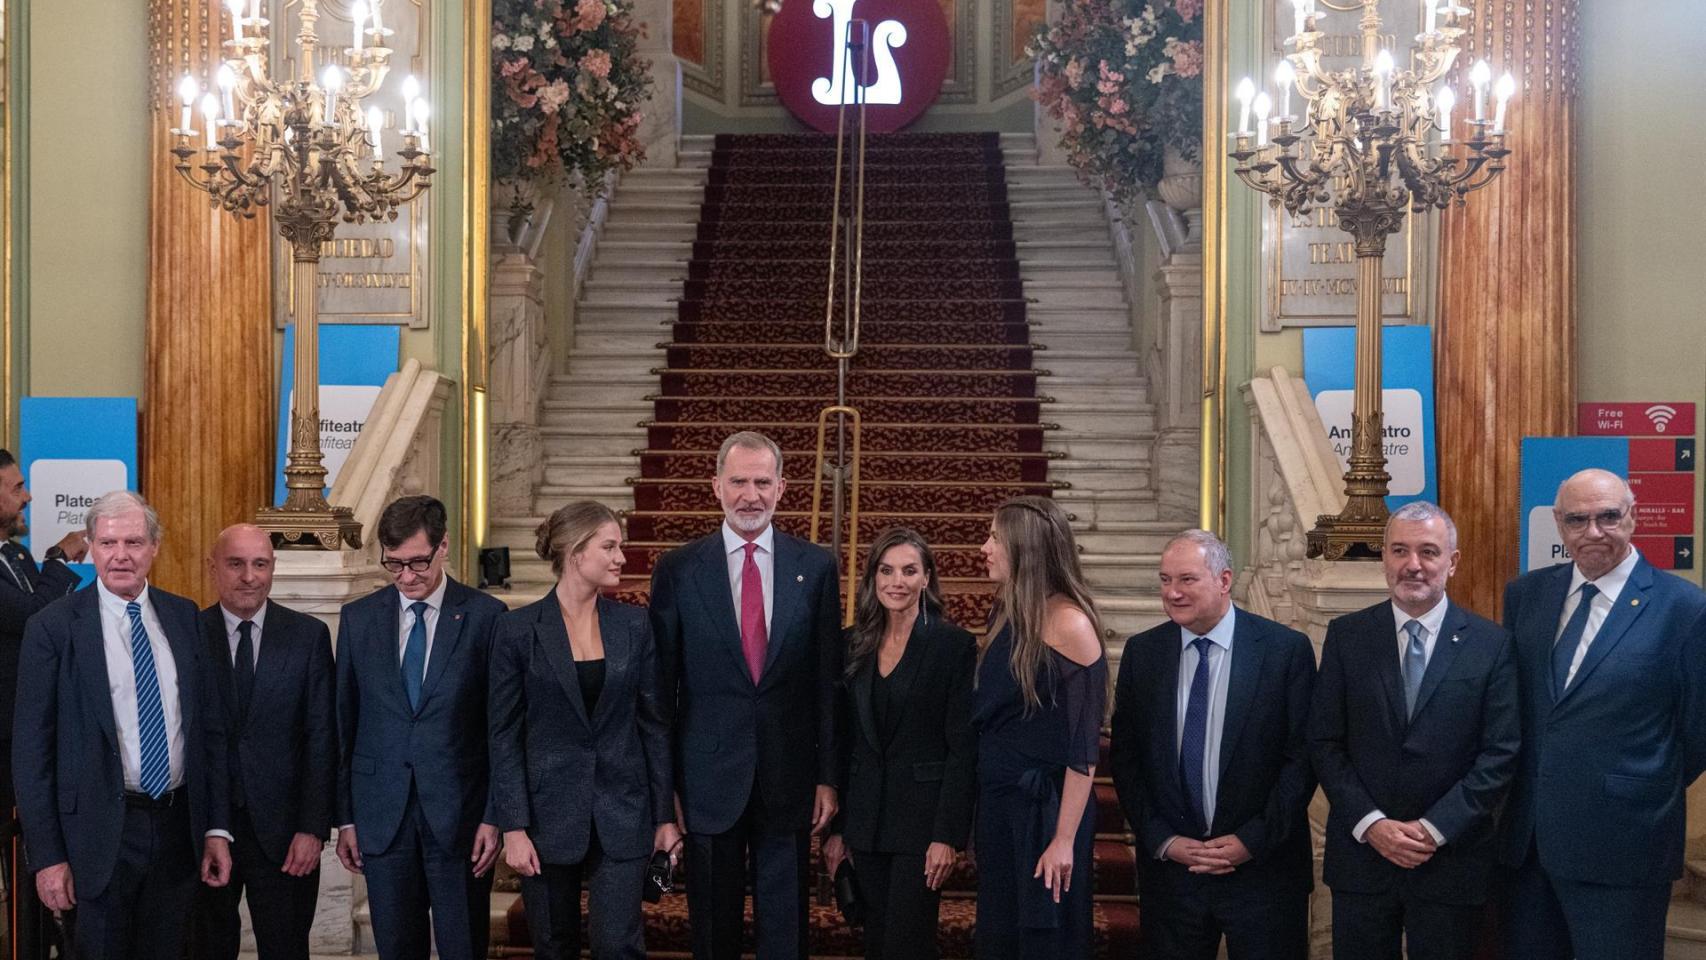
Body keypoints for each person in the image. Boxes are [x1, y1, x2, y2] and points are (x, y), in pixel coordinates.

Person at [11, 490, 233, 960]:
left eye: (133, 542)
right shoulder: (53, 627)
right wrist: (48, 857)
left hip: (177, 831)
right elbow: (32, 753)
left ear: (154, 547)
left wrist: (216, 828)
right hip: (94, 838)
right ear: (91, 547)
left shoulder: (184, 616)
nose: (120, 556)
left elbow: (208, 733)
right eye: (108, 543)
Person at [647, 430, 841, 960]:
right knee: (713, 936)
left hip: (789, 778)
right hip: (707, 782)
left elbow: (827, 683)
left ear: (782, 487)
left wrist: (827, 776)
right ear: (716, 486)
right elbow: (660, 695)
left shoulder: (816, 567)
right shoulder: (678, 569)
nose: (750, 496)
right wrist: (665, 795)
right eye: (738, 482)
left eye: (761, 482)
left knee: (787, 936)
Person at [1499, 468, 1706, 960]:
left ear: (1633, 517)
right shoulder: (1526, 595)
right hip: (1530, 844)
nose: (1593, 532)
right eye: (1578, 520)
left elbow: (1697, 732)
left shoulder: (1685, 608)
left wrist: (1636, 786)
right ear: (1559, 523)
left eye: (1608, 517)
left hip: (1624, 845)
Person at [1309, 502, 1519, 960]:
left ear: (1452, 561)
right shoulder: (1347, 636)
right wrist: (1373, 824)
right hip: (1364, 859)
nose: (1413, 565)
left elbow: (1500, 753)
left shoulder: (1492, 644)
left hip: (1450, 858)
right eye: (1400, 550)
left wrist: (1433, 828)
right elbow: (1325, 742)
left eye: (1428, 551)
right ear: (1384, 557)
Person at [1108, 528, 1315, 960]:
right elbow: (1127, 758)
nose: (1173, 592)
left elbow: (1302, 759)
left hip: (1264, 873)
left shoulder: (1284, 651)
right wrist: (1164, 839)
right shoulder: (1143, 653)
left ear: (1224, 581)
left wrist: (1250, 841)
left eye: (1187, 579)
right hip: (1173, 877)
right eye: (1165, 580)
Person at [489, 501, 682, 959]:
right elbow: (503, 735)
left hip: (623, 810)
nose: (621, 558)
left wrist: (664, 817)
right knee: (553, 945)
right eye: (609, 547)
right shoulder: (517, 630)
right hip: (545, 817)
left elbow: (654, 726)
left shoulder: (635, 625)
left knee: (618, 945)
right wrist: (513, 827)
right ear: (575, 553)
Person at [334, 495, 505, 960]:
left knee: (462, 947)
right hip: (381, 816)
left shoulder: (486, 617)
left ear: (443, 546)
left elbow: (500, 729)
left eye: (417, 563)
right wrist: (346, 818)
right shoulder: (358, 619)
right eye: (394, 564)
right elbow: (345, 724)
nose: (406, 577)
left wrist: (494, 816)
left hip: (461, 818)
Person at [822, 528, 977, 960]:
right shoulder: (852, 643)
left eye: (909, 571)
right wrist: (838, 830)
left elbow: (962, 749)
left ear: (926, 578)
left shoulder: (953, 646)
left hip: (923, 828)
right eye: (886, 570)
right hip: (865, 823)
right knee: (876, 942)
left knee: (907, 944)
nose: (897, 581)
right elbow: (843, 742)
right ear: (873, 577)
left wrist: (947, 835)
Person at [970, 496, 1106, 960]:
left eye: (995, 537)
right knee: (999, 933)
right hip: (999, 802)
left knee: (1044, 942)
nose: (985, 547)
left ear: (1025, 549)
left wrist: (1063, 839)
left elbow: (1084, 749)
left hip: (1046, 813)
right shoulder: (1007, 610)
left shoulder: (1071, 624)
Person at [194, 524, 336, 960]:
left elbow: (321, 738)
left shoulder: (308, 636)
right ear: (213, 568)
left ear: (273, 568)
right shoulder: (187, 634)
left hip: (285, 832)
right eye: (236, 564)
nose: (249, 576)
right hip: (205, 829)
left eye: (260, 564)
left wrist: (313, 828)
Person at [0, 448, 86, 958]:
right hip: (4, 742)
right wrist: (59, 559)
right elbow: (34, 616)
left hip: (35, 734)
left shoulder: (13, 556)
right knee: (17, 855)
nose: (28, 495)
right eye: (16, 487)